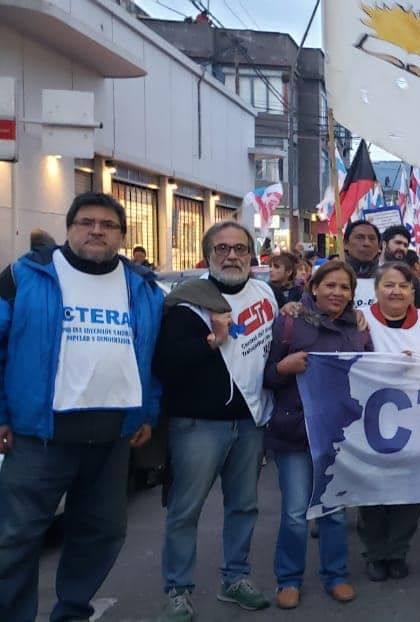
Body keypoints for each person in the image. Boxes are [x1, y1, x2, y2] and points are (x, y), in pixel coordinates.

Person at [0, 192, 164, 622]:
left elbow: (154, 358)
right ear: (69, 228)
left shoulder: (142, 287)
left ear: (121, 235)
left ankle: (72, 612)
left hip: (113, 436)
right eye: (86, 222)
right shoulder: (26, 275)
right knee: (15, 539)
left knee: (101, 534)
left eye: (108, 225)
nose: (96, 230)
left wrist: (147, 412)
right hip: (40, 436)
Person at [152, 221, 278, 621]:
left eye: (240, 248)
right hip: (198, 425)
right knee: (185, 511)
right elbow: (165, 364)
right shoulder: (186, 303)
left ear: (251, 255)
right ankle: (177, 590)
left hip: (250, 422)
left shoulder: (266, 295)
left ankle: (235, 579)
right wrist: (211, 341)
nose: (231, 255)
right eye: (222, 248)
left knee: (244, 507)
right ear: (208, 255)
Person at [263, 260, 372, 609]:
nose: (337, 293)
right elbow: (267, 375)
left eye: (344, 287)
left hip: (337, 434)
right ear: (313, 287)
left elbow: (370, 375)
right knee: (295, 513)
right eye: (330, 285)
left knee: (333, 510)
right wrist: (284, 367)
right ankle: (288, 579)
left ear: (352, 294)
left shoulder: (358, 330)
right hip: (294, 432)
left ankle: (336, 575)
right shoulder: (289, 322)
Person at [355, 263, 420, 583]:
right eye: (388, 285)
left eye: (403, 286)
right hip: (370, 422)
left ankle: (397, 551)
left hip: (417, 422)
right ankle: (375, 553)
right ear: (376, 290)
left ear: (412, 291)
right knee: (372, 490)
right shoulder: (359, 320)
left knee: (410, 490)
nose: (396, 292)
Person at [343, 220, 420, 311]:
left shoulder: (401, 277)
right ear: (345, 243)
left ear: (379, 246)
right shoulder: (336, 274)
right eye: (359, 237)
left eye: (372, 238)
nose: (366, 243)